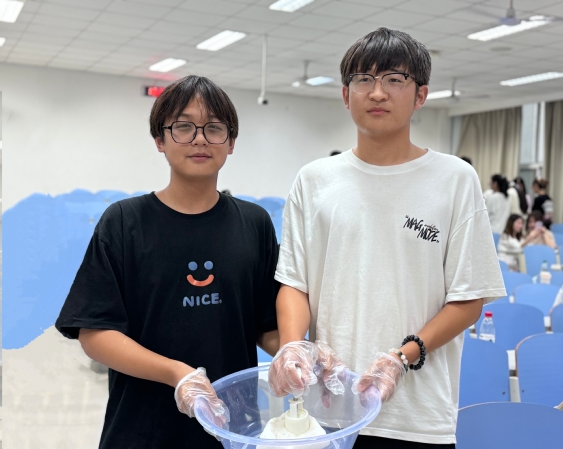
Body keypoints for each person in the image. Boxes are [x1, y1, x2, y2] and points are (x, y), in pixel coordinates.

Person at [268, 28, 505, 448]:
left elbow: (469, 299)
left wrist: (400, 358)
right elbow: (294, 283)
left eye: (395, 79)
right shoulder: (314, 180)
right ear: (346, 95)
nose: (377, 92)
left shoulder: (454, 179)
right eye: (364, 79)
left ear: (420, 95)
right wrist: (291, 347)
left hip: (417, 415)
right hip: (327, 409)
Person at [54, 76, 280, 449]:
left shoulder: (254, 223)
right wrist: (178, 374)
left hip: (232, 429)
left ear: (231, 142)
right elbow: (95, 334)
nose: (200, 139)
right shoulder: (124, 221)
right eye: (183, 127)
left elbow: (265, 325)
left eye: (214, 128)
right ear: (160, 139)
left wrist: (299, 353)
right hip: (142, 429)